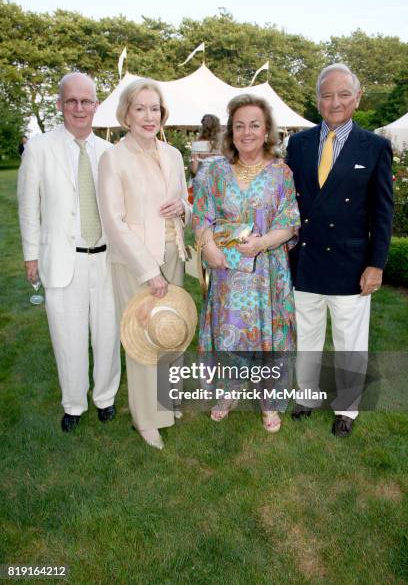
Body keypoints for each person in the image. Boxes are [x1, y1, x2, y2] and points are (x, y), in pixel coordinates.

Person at [286, 63, 394, 437]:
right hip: (307, 259)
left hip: (351, 263)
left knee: (350, 340)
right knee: (308, 334)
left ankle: (347, 408)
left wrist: (376, 265)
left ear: (357, 97)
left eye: (343, 94)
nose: (335, 102)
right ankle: (306, 395)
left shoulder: (376, 147)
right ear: (317, 100)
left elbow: (383, 212)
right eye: (327, 95)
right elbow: (288, 203)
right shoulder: (297, 144)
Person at [17, 72, 121, 432]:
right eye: (72, 101)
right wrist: (31, 255)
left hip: (107, 259)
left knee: (107, 333)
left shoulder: (109, 152)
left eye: (87, 101)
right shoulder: (39, 148)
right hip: (63, 260)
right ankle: (74, 403)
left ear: (96, 105)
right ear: (60, 105)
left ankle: (106, 398)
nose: (79, 108)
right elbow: (29, 206)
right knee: (68, 336)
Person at [193, 94, 300, 432]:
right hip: (226, 270)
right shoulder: (214, 171)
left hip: (268, 270)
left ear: (267, 129)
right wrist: (208, 247)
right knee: (230, 334)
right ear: (230, 132)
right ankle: (229, 392)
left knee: (269, 335)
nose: (247, 132)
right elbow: (201, 215)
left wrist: (262, 244)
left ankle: (270, 402)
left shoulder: (281, 173)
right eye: (239, 126)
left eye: (254, 125)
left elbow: (289, 222)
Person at [98, 79, 191, 450]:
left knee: (173, 332)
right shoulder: (113, 158)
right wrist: (148, 271)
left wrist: (184, 207)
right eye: (141, 108)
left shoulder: (173, 155)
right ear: (127, 113)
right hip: (137, 263)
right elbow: (113, 220)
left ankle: (167, 403)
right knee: (142, 340)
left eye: (155, 108)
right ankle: (145, 418)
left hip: (174, 254)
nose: (149, 116)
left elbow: (186, 201)